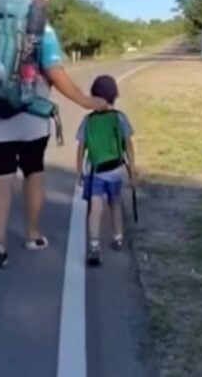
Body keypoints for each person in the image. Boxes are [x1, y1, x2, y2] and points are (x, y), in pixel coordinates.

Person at [0, 0, 108, 269]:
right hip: (31, 113)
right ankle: (32, 235)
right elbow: (55, 73)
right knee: (33, 173)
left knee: (1, 177)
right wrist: (85, 101)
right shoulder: (42, 29)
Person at [75, 74, 136, 267]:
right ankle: (118, 237)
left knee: (96, 208)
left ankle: (94, 246)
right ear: (113, 96)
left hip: (96, 172)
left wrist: (79, 171)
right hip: (116, 170)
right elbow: (128, 145)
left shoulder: (88, 120)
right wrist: (132, 169)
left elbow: (81, 147)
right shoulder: (120, 118)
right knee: (115, 203)